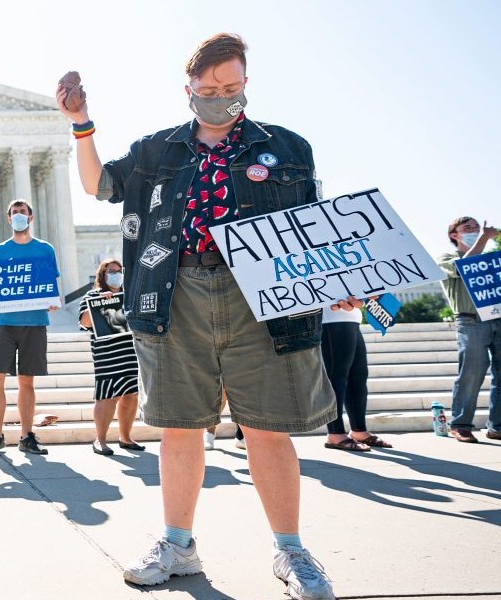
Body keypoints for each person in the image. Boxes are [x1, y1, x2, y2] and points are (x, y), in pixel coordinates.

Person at [60, 34, 352, 599]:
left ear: (246, 84)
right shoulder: (158, 150)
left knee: (267, 430)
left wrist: (334, 280)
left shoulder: (289, 147)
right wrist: (81, 122)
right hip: (176, 292)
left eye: (232, 88)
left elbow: (314, 224)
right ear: (189, 90)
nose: (221, 97)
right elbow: (100, 185)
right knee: (179, 428)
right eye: (209, 89)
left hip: (259, 298)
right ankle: (178, 544)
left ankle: (291, 551)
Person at [0, 199, 59, 456]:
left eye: (23, 212)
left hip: (34, 322)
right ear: (9, 219)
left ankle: (27, 436)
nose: (19, 216)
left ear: (30, 218)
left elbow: (51, 283)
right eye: (15, 213)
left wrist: (53, 301)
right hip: (5, 324)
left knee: (27, 381)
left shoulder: (45, 250)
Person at [438, 216, 501, 443]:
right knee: (471, 373)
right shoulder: (446, 258)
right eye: (468, 228)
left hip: (498, 318)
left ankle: (497, 426)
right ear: (454, 235)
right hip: (470, 320)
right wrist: (484, 237)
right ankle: (460, 424)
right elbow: (466, 267)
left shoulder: (491, 259)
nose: (475, 230)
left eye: (477, 227)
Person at [77, 259, 143, 456]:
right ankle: (101, 439)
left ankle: (126, 437)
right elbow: (84, 322)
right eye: (111, 271)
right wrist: (98, 304)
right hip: (107, 354)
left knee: (131, 395)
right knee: (107, 396)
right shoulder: (92, 295)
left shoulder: (130, 295)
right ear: (102, 275)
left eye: (119, 270)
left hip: (130, 352)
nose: (116, 274)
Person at [321, 303, 392, 451]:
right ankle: (335, 433)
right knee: (336, 377)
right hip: (330, 319)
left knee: (358, 377)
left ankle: (359, 430)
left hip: (352, 318)